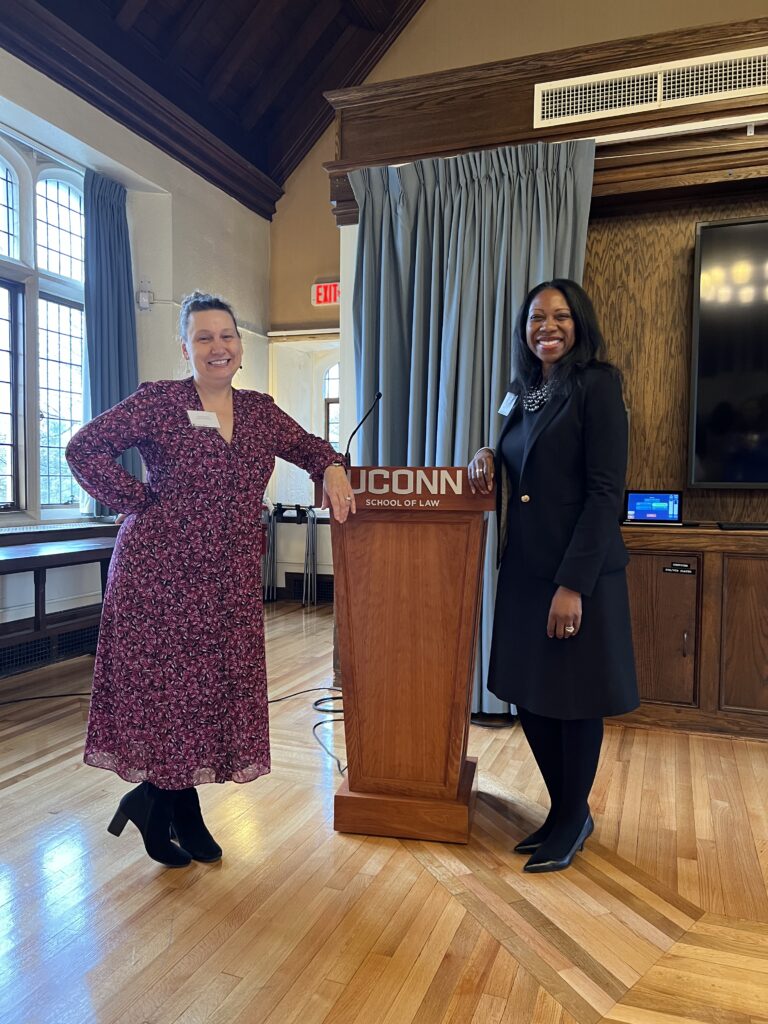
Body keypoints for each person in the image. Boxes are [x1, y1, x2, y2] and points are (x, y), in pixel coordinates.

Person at [66, 291, 355, 868]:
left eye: (226, 335)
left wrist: (331, 466)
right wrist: (139, 502)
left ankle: (162, 803)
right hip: (159, 574)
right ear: (186, 348)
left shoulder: (260, 411)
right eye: (203, 337)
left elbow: (310, 445)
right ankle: (177, 808)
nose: (217, 346)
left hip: (227, 580)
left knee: (205, 693)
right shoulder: (159, 402)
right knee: (171, 694)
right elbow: (83, 448)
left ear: (241, 348)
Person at [468, 279, 638, 873]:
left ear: (579, 323)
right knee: (531, 695)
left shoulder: (597, 385)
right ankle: (566, 810)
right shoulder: (523, 391)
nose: (547, 327)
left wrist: (574, 585)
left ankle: (571, 817)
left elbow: (604, 493)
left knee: (574, 698)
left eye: (560, 316)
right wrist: (488, 457)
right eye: (536, 317)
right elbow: (517, 458)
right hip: (525, 568)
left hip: (576, 571)